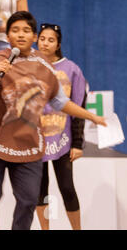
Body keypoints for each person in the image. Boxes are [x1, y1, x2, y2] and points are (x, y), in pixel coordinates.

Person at [0, 11, 106, 230]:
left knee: (29, 199)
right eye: (15, 30)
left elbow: (60, 101)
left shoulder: (44, 65)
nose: (21, 35)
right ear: (8, 36)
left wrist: (91, 116)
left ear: (34, 37)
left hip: (28, 141)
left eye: (26, 31)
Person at [35, 23, 86, 230]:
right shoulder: (30, 65)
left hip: (62, 140)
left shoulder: (72, 69)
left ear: (58, 44)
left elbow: (79, 105)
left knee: (67, 187)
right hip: (36, 140)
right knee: (40, 189)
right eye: (42, 38)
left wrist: (78, 143)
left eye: (51, 40)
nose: (45, 43)